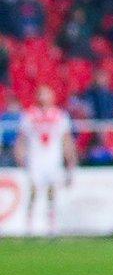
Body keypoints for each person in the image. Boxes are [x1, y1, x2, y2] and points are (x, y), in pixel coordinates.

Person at [15, 84, 75, 237]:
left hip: (53, 160)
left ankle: (51, 225)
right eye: (41, 94)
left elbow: (66, 140)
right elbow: (22, 138)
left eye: (47, 94)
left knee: (52, 191)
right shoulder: (29, 115)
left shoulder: (60, 116)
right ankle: (29, 225)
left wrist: (70, 162)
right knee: (34, 190)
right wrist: (20, 155)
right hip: (35, 159)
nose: (44, 97)